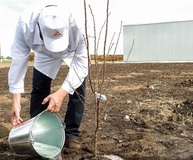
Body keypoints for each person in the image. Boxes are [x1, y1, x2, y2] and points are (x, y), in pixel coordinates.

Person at [8, 1, 88, 150]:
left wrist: (61, 93)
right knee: (39, 89)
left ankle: (71, 134)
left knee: (78, 89)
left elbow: (82, 64)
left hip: (71, 50)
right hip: (44, 53)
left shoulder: (79, 25)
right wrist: (15, 102)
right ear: (38, 25)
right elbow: (18, 63)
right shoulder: (26, 23)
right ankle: (37, 133)